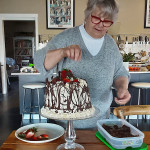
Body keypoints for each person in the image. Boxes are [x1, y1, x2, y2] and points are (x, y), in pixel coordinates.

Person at [34, 0, 131, 129]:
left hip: (100, 122)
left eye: (106, 21)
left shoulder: (111, 44)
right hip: (66, 124)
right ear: (87, 15)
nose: (100, 25)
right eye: (96, 18)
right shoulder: (66, 37)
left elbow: (120, 73)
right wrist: (62, 52)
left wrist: (122, 88)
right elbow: (40, 62)